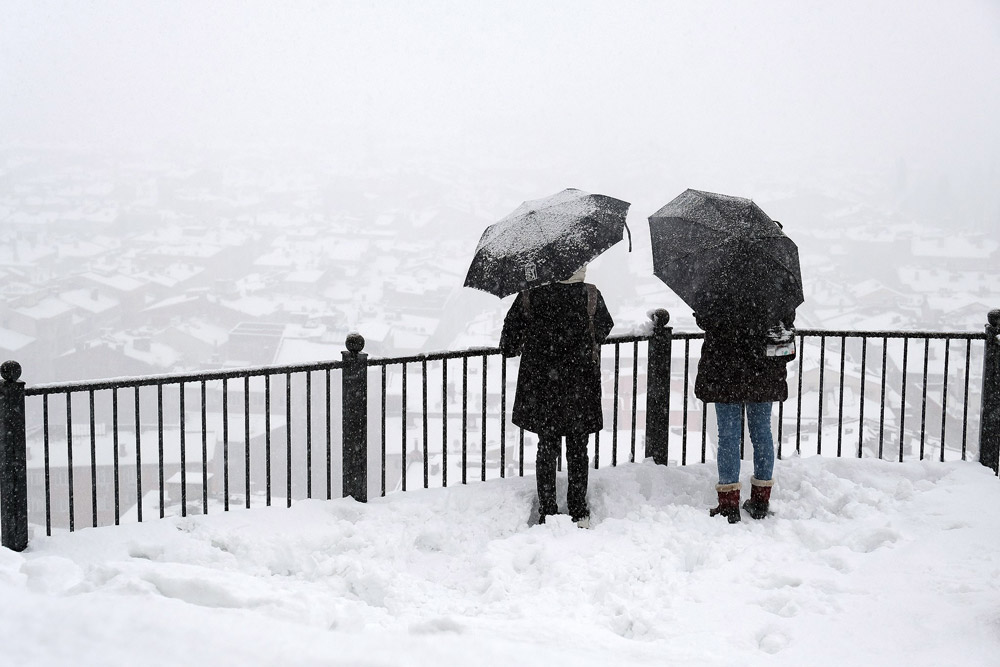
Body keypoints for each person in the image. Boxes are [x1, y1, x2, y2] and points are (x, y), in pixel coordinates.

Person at [499, 264, 614, 528]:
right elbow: (603, 329)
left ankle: (548, 510)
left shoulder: (531, 295)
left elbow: (508, 344)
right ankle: (578, 509)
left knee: (547, 448)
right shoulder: (591, 295)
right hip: (580, 386)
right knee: (578, 448)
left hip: (544, 389)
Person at [694, 303, 796, 523]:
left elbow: (707, 321)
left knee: (728, 436)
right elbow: (786, 323)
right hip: (764, 372)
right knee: (762, 433)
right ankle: (760, 501)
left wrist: (702, 312)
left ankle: (729, 504)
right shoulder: (775, 292)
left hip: (726, 369)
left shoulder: (720, 289)